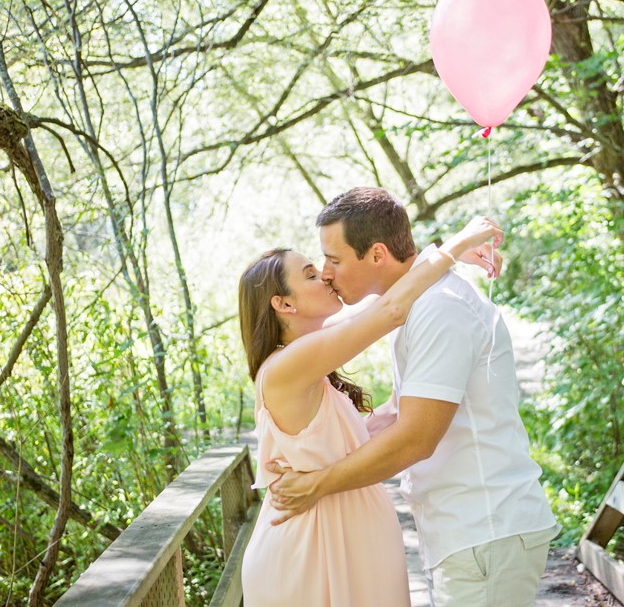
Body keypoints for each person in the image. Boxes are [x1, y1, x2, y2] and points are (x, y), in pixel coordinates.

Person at [266, 187, 560, 607]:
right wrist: (315, 451)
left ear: (377, 255)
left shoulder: (440, 308)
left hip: (485, 527)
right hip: (463, 533)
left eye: (333, 259)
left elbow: (416, 437)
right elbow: (398, 411)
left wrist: (316, 485)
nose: (327, 272)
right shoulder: (419, 304)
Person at [237, 215, 503, 607]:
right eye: (311, 274)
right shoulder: (286, 367)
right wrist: (455, 244)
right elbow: (391, 308)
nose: (326, 277)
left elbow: (385, 296)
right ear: (284, 303)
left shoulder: (307, 365)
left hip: (345, 544)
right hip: (310, 553)